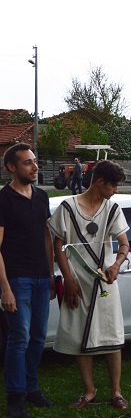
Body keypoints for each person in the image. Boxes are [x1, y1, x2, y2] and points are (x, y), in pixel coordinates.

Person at [48, 160, 131, 410]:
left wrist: (116, 265)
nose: (115, 190)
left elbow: (124, 244)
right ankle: (89, 391)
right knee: (79, 333)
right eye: (113, 185)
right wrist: (69, 281)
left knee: (112, 333)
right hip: (78, 281)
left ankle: (116, 392)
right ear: (100, 182)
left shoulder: (113, 209)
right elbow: (59, 246)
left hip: (105, 281)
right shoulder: (68, 207)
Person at [0, 143, 55, 418]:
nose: (35, 167)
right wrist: (5, 288)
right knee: (18, 338)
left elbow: (47, 235)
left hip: (41, 278)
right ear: (12, 167)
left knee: (37, 338)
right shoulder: (3, 200)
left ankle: (32, 389)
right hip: (17, 278)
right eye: (27, 163)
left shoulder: (42, 196)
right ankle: (16, 397)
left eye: (35, 161)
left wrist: (51, 273)